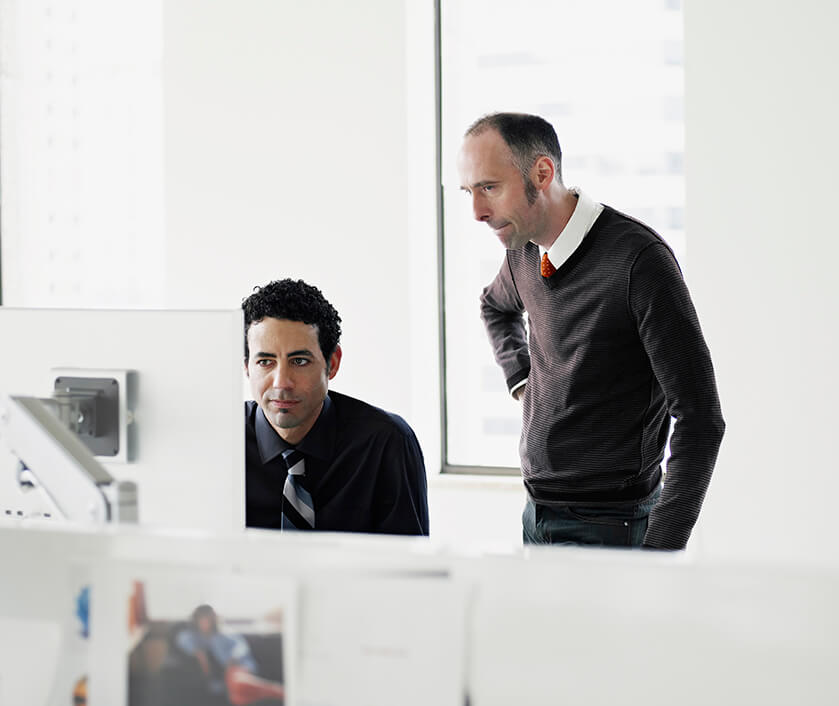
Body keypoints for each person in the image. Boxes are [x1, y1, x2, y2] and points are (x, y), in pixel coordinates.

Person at [457, 112, 725, 551]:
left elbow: (701, 419)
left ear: (542, 173)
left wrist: (660, 552)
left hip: (612, 528)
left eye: (489, 188)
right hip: (536, 513)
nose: (476, 212)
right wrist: (522, 381)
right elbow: (494, 306)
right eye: (469, 192)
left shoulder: (640, 261)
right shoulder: (522, 251)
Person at [243, 278, 429, 535]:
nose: (281, 382)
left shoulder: (387, 442)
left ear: (332, 363)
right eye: (265, 362)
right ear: (246, 367)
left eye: (299, 361)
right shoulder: (220, 440)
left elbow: (409, 568)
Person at [174, 604, 284, 706]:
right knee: (237, 699)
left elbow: (242, 647)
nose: (205, 623)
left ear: (213, 620)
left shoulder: (224, 633)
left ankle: (278, 691)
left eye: (208, 619)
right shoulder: (193, 637)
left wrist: (233, 658)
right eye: (201, 620)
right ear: (196, 621)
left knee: (237, 684)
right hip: (221, 677)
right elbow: (183, 639)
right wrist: (199, 654)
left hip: (237, 666)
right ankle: (269, 694)